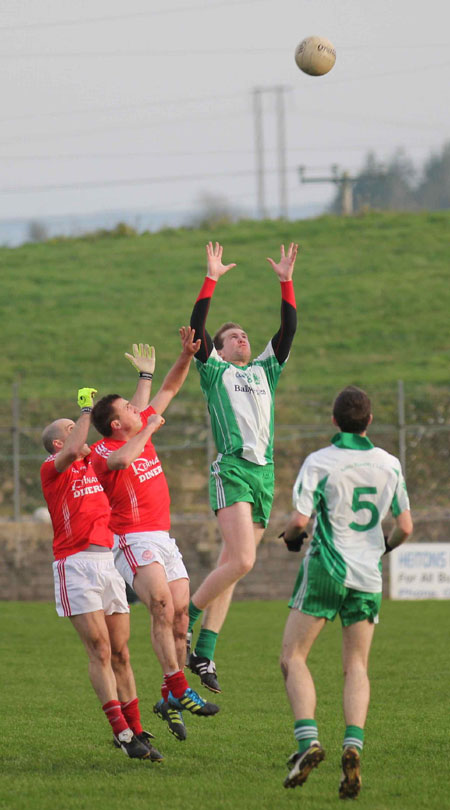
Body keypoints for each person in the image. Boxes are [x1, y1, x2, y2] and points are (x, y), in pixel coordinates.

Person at [279, 385, 413, 798]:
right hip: (367, 577)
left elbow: (300, 521)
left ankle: (308, 743)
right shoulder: (389, 464)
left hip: (327, 570)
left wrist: (289, 538)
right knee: (356, 666)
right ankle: (352, 746)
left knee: (293, 657)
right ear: (369, 420)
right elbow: (406, 526)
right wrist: (381, 549)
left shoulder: (320, 461)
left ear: (334, 421)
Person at [90, 328, 220, 744]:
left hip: (163, 536)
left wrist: (184, 355)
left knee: (181, 617)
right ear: (116, 423)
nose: (137, 408)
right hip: (130, 538)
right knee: (161, 605)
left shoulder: (137, 425)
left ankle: (167, 698)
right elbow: (123, 456)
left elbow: (170, 386)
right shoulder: (103, 450)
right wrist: (147, 427)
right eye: (128, 408)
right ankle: (180, 687)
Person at [186, 241, 298, 693]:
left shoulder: (265, 370)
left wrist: (286, 281)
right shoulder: (215, 371)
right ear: (218, 348)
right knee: (244, 561)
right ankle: (185, 618)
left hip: (263, 473)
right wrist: (211, 277)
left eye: (244, 335)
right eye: (233, 336)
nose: (242, 338)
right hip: (232, 468)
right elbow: (198, 326)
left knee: (231, 563)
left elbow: (288, 329)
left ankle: (205, 654)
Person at [40, 386, 163, 762]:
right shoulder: (53, 469)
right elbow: (73, 447)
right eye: (73, 427)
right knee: (100, 649)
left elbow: (132, 418)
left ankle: (136, 728)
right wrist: (83, 410)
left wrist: (145, 379)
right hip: (75, 564)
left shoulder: (97, 464)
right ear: (61, 440)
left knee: (122, 652)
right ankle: (122, 733)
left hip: (106, 563)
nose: (84, 432)